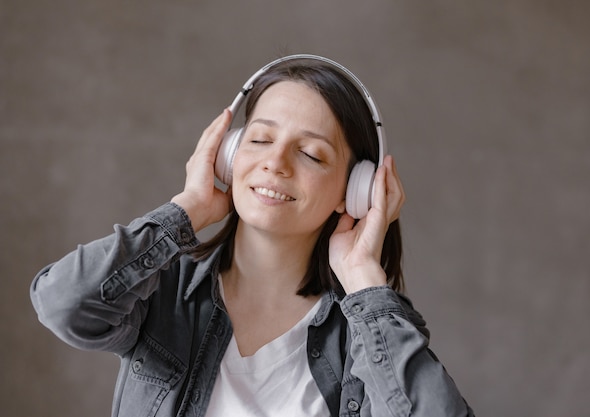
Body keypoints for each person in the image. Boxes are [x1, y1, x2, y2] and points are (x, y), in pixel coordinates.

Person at [30, 55, 475, 417]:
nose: (276, 163)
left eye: (310, 154)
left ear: (354, 191)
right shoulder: (165, 293)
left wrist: (363, 278)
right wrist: (185, 211)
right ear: (227, 154)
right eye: (260, 140)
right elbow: (64, 305)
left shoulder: (364, 330)